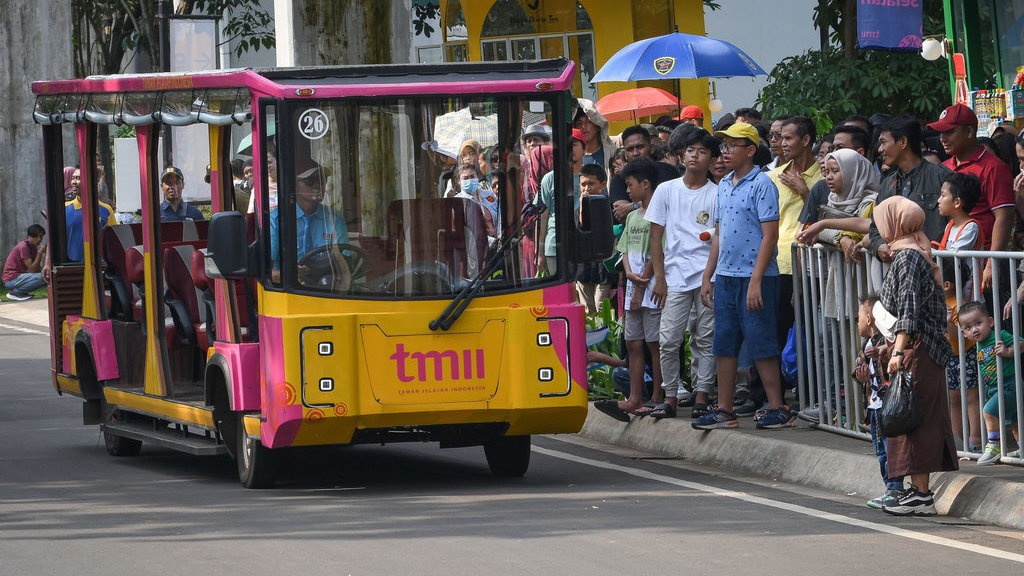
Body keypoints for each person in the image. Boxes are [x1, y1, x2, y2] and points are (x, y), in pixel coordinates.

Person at [694, 122, 789, 430]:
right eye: (724, 146)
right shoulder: (723, 185)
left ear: (750, 150)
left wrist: (757, 280)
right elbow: (718, 234)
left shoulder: (762, 184)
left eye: (733, 145)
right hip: (726, 276)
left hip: (754, 275)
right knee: (724, 343)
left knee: (761, 341)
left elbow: (769, 236)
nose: (725, 152)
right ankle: (724, 408)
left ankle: (777, 405)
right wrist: (709, 275)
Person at [871, 196, 957, 517]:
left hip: (919, 347)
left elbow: (908, 308)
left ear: (894, 222)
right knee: (913, 417)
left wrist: (898, 349)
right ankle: (912, 491)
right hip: (918, 346)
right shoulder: (916, 249)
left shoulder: (908, 256)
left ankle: (921, 494)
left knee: (915, 418)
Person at [647, 127, 719, 418]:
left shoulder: (717, 193)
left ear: (711, 158)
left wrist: (708, 277)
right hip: (675, 276)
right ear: (681, 154)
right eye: (690, 150)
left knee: (705, 338)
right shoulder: (666, 190)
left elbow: (717, 238)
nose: (695, 156)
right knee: (668, 338)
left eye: (702, 151)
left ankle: (702, 395)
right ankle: (671, 395)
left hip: (706, 275)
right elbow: (655, 236)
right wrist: (660, 278)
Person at [595, 157, 664, 421]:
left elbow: (656, 251)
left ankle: (657, 396)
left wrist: (640, 280)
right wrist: (629, 274)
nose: (627, 190)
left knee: (654, 344)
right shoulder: (633, 216)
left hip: (651, 287)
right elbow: (624, 249)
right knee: (633, 343)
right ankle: (635, 398)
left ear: (645, 185)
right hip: (634, 284)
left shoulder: (658, 216)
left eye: (631, 184)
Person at [928, 104, 1015, 292]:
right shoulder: (943, 167)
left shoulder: (993, 167)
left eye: (949, 132)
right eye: (940, 132)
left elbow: (1004, 217)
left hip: (982, 264)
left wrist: (992, 263)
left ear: (969, 132)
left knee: (989, 319)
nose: (942, 138)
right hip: (951, 268)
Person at [852, 294, 906, 509]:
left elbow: (892, 369)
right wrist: (861, 375)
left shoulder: (886, 341)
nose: (857, 323)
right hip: (873, 407)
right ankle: (889, 488)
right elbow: (857, 373)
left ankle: (895, 488)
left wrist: (881, 356)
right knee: (880, 450)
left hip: (887, 406)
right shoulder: (865, 345)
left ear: (869, 318)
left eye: (858, 318)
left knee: (889, 448)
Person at [869, 115, 951, 256]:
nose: (880, 149)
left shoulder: (942, 177)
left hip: (938, 269)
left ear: (903, 142)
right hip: (899, 269)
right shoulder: (887, 184)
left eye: (883, 142)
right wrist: (879, 245)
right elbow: (874, 227)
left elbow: (960, 223)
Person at [958, 301, 1022, 466]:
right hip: (994, 388)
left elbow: (1021, 343)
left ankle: (993, 447)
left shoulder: (998, 335)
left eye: (978, 323)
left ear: (991, 322)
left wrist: (1008, 351)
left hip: (1010, 385)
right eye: (968, 328)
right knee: (1012, 419)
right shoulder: (979, 344)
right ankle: (1022, 449)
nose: (975, 329)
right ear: (964, 333)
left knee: (988, 411)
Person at [269, 159, 349, 272]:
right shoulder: (276, 220)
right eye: (310, 180)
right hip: (289, 287)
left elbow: (345, 262)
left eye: (322, 180)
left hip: (326, 284)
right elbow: (269, 271)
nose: (318, 185)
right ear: (294, 185)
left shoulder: (335, 219)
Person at [941, 259, 981, 453]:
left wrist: (948, 322)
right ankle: (957, 441)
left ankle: (975, 439)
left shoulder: (958, 305)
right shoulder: (940, 303)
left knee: (971, 397)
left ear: (947, 285)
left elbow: (963, 339)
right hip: (950, 358)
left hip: (966, 355)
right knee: (954, 398)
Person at [608, 125, 685, 223]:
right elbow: (621, 214)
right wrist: (652, 203)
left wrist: (634, 206)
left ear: (651, 148)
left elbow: (670, 203)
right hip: (634, 235)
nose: (635, 153)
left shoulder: (667, 171)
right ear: (625, 153)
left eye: (640, 147)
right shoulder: (619, 179)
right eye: (630, 149)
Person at [536, 129, 585, 276]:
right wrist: (540, 252)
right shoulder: (549, 179)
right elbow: (542, 216)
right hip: (554, 246)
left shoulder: (590, 175)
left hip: (583, 246)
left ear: (585, 148)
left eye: (574, 144)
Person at [575, 163, 612, 314]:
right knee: (587, 310)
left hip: (604, 266)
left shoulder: (608, 207)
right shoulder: (578, 210)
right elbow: (582, 229)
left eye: (591, 184)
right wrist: (583, 208)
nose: (586, 188)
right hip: (584, 267)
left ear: (602, 184)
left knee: (601, 306)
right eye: (583, 184)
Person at [65, 166, 117, 262]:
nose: (73, 182)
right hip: (71, 267)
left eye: (78, 178)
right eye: (73, 178)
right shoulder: (64, 209)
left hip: (97, 267)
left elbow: (113, 241)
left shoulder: (106, 209)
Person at [3, 224, 47, 301]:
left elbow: (36, 268)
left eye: (41, 236)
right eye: (36, 237)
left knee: (45, 276)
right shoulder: (24, 247)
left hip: (19, 276)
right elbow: (32, 269)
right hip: (11, 278)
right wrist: (40, 254)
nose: (39, 239)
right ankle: (16, 293)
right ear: (29, 237)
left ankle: (18, 293)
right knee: (44, 277)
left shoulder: (33, 247)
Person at [574, 99, 616, 172]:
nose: (583, 126)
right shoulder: (573, 156)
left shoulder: (611, 154)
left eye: (588, 122)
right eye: (579, 123)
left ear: (597, 125)